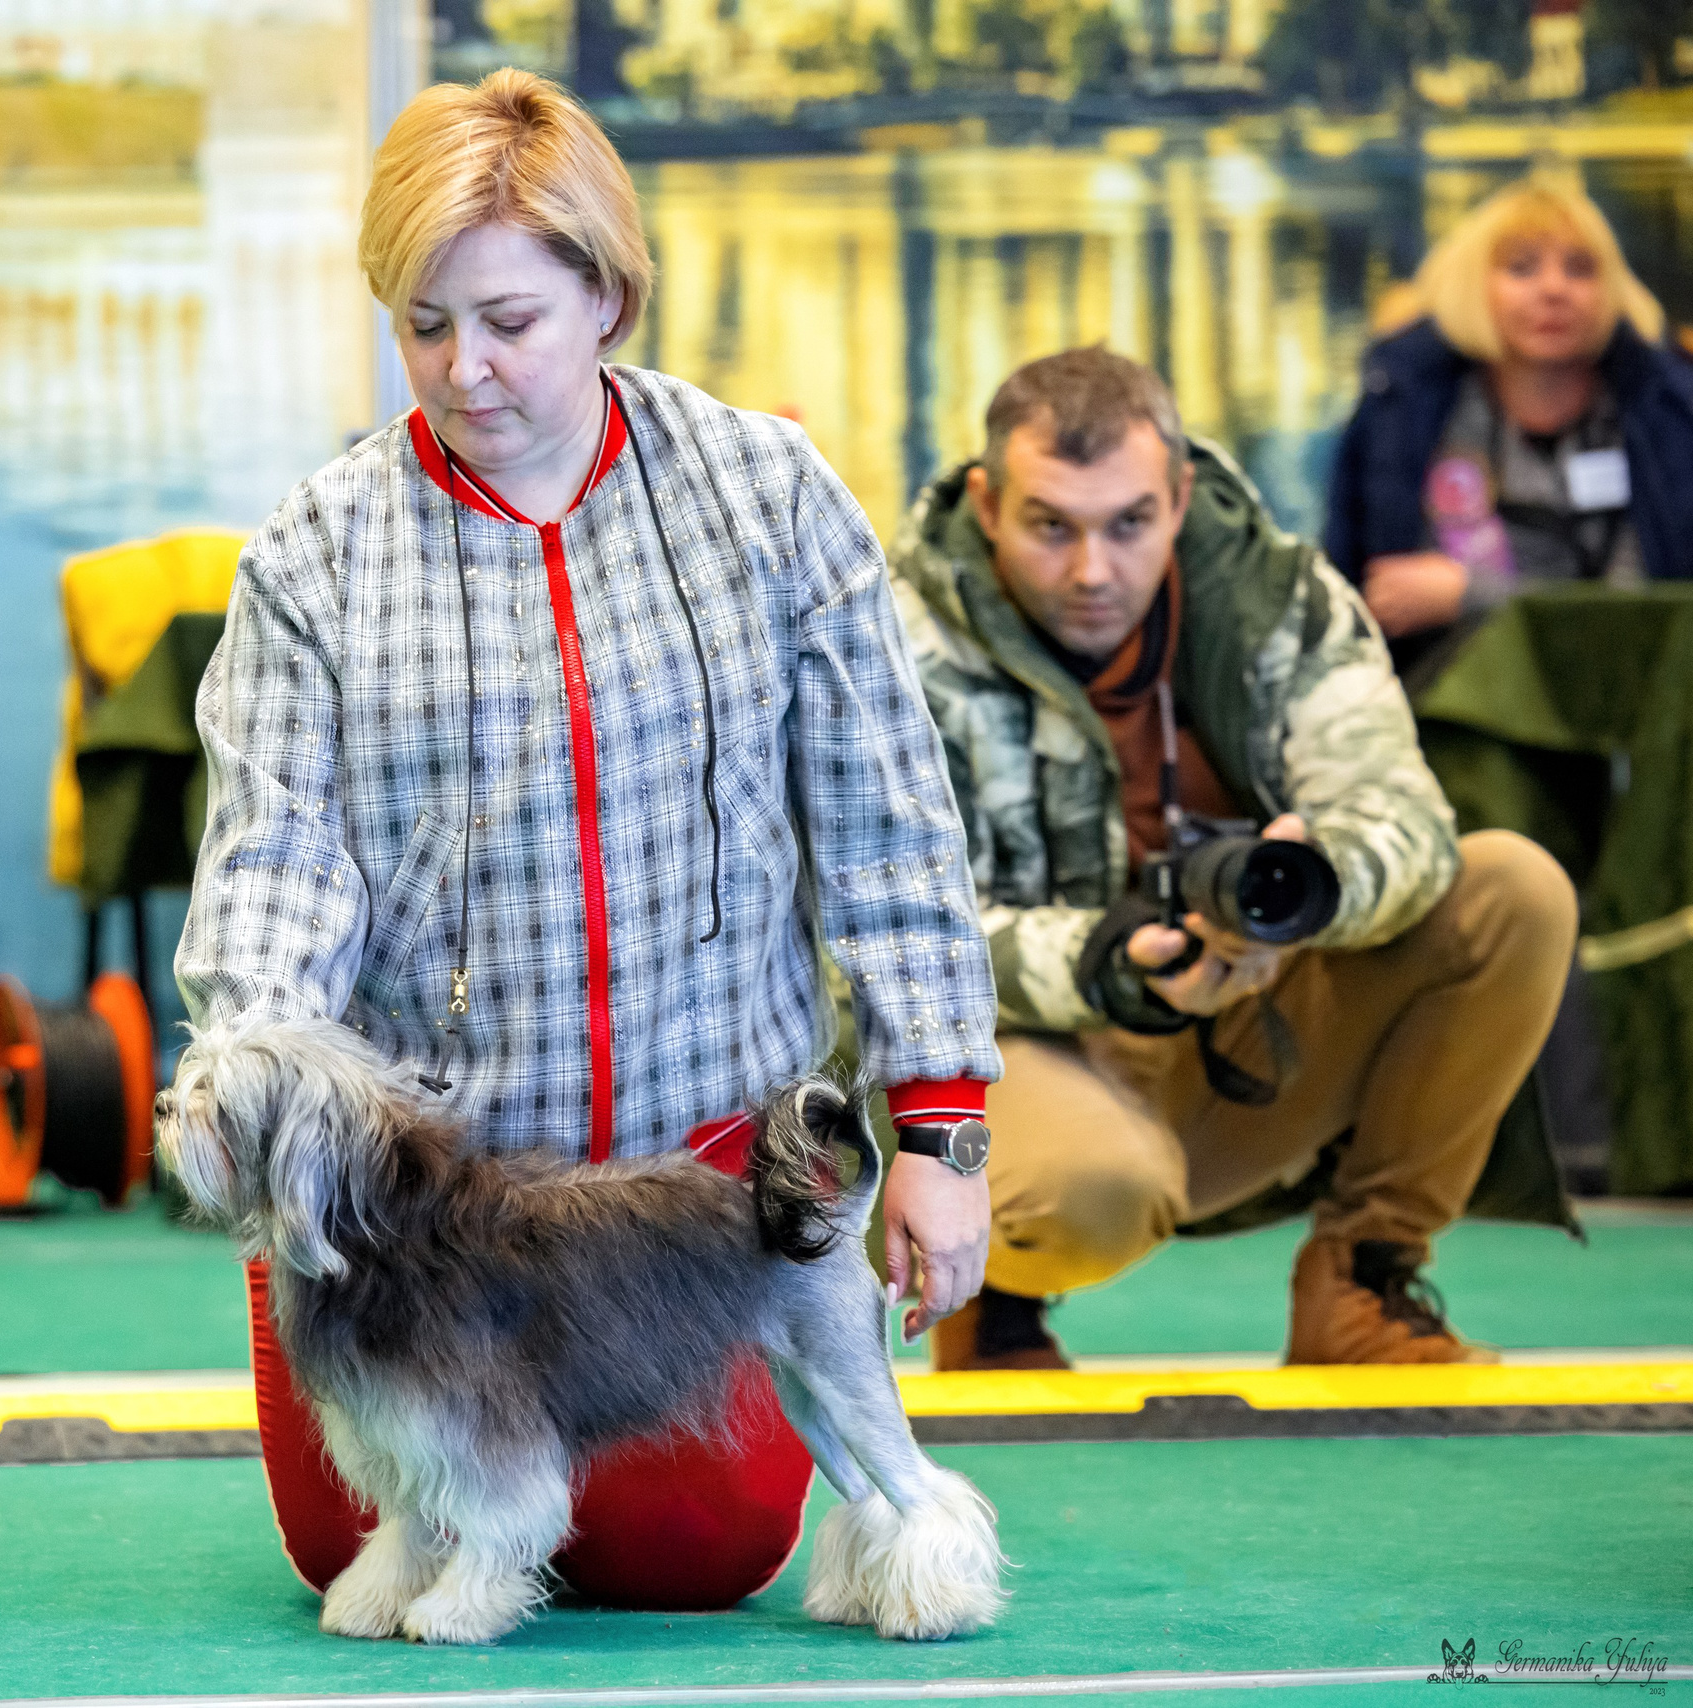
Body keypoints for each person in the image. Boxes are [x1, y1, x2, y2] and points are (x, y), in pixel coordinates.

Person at [173, 69, 1001, 1613]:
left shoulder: (773, 497)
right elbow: (270, 871)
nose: (464, 369)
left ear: (609, 297)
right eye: (424, 323)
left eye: (509, 322)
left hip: (707, 1198)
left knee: (693, 1558)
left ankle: (902, 1518)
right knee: (346, 1546)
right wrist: (266, 1106)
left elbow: (891, 829)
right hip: (426, 1229)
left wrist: (940, 1128)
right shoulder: (312, 555)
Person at [888, 346, 1578, 1371]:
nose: (1091, 570)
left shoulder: (1276, 598)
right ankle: (988, 1296)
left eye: (1128, 523)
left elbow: (1403, 817)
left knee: (1511, 891)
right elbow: (874, 941)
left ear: (1178, 494)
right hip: (1000, 1064)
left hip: (1229, 1039)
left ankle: (1362, 1283)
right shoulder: (888, 636)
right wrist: (1105, 961)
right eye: (1050, 526)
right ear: (986, 506)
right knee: (1091, 1188)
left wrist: (1314, 893)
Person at [1324, 176, 1693, 678]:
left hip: (1631, 700)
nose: (1554, 289)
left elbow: (1646, 612)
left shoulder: (1666, 414)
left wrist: (1470, 595)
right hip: (1442, 702)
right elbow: (1371, 592)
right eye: (1521, 268)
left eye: (1580, 269)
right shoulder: (1402, 406)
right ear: (1475, 285)